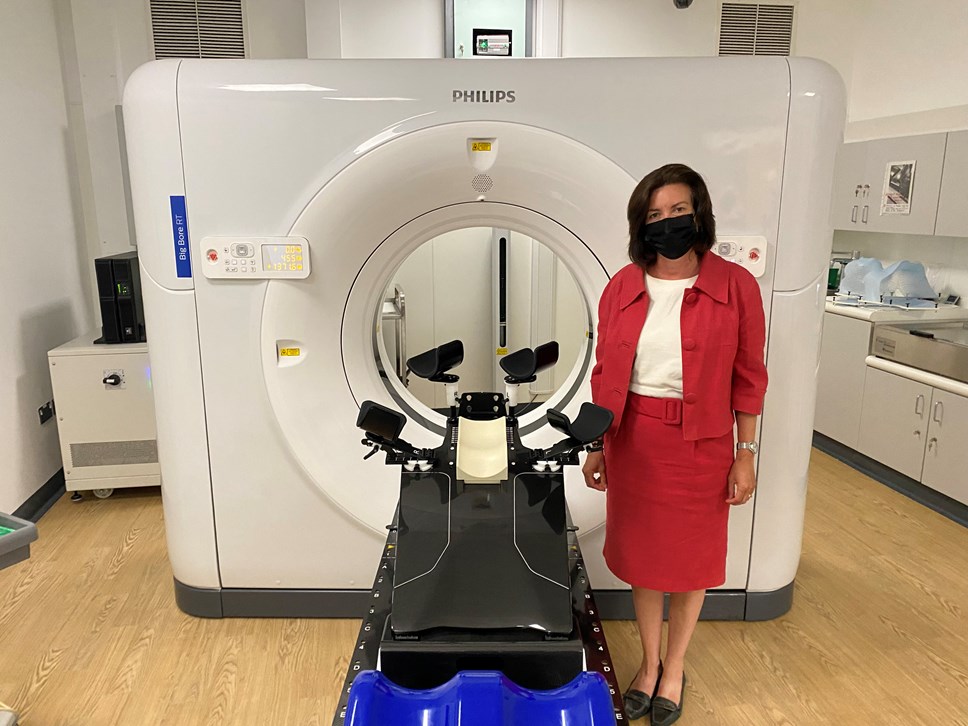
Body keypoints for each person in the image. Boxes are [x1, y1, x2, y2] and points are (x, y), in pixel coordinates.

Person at [582, 163, 768, 725]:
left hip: (702, 442)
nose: (668, 223)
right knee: (644, 559)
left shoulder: (736, 286)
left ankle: (676, 666)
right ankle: (648, 662)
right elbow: (604, 371)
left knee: (690, 561)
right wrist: (596, 442)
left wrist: (746, 452)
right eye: (655, 215)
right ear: (642, 225)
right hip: (633, 438)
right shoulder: (621, 285)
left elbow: (749, 377)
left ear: (699, 214)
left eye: (678, 212)